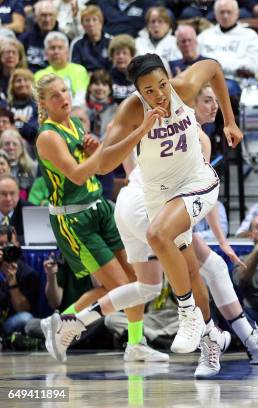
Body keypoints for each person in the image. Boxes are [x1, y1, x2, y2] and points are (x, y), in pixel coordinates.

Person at [99, 54, 243, 356]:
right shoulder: (132, 110)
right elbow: (103, 164)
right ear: (138, 92)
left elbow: (215, 68)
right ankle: (210, 345)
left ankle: (188, 314)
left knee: (156, 234)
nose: (159, 94)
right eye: (149, 90)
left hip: (197, 183)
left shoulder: (185, 87)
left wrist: (229, 121)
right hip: (159, 196)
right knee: (189, 271)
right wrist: (140, 130)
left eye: (162, 85)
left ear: (169, 78)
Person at [35, 73, 165, 364]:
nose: (64, 98)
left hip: (101, 208)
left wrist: (93, 150)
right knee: (120, 287)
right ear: (43, 103)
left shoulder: (75, 123)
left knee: (135, 279)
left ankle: (135, 344)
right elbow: (78, 174)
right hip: (75, 220)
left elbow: (96, 168)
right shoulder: (47, 136)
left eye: (65, 91)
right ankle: (63, 320)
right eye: (55, 96)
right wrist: (104, 147)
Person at [197, 0, 258, 80]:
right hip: (205, 79)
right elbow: (194, 58)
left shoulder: (250, 36)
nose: (225, 16)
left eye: (229, 12)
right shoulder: (204, 36)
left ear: (237, 13)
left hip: (236, 80)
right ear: (215, 14)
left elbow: (253, 65)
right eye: (222, 12)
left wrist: (220, 66)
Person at [0, 225, 39, 338]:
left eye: (8, 244)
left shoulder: (28, 273)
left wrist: (12, 281)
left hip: (9, 323)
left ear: (17, 245)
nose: (4, 248)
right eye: (0, 245)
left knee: (25, 318)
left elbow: (23, 310)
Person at [33, 31, 90, 107]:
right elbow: (39, 101)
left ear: (67, 52)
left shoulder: (79, 70)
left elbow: (81, 97)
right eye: (52, 48)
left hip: (74, 112)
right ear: (46, 53)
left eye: (60, 48)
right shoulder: (39, 75)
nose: (56, 52)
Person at [69, 5, 113, 72]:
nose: (91, 24)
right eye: (87, 20)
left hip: (107, 80)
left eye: (94, 20)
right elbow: (75, 69)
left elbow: (114, 67)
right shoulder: (77, 44)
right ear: (82, 25)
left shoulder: (112, 41)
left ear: (101, 22)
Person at [18, 0, 59, 72]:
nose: (47, 19)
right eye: (43, 15)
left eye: (50, 15)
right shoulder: (24, 39)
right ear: (36, 17)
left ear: (56, 17)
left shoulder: (64, 40)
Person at [0, 129, 37, 197]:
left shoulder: (33, 167)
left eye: (15, 144)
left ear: (22, 148)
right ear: (1, 147)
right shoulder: (1, 169)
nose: (11, 147)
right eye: (7, 144)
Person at [7, 68, 38, 144]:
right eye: (18, 81)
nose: (22, 84)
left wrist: (24, 121)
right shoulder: (6, 107)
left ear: (33, 84)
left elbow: (38, 130)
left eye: (26, 80)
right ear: (12, 85)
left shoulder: (39, 106)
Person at [108, 34, 137, 104]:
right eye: (117, 53)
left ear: (132, 56)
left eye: (125, 53)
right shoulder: (107, 78)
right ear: (112, 57)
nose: (121, 57)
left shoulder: (139, 76)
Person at [0, 174, 26, 243]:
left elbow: (36, 238)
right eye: (3, 193)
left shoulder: (30, 210)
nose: (8, 198)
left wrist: (16, 239)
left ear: (18, 194)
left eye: (12, 193)